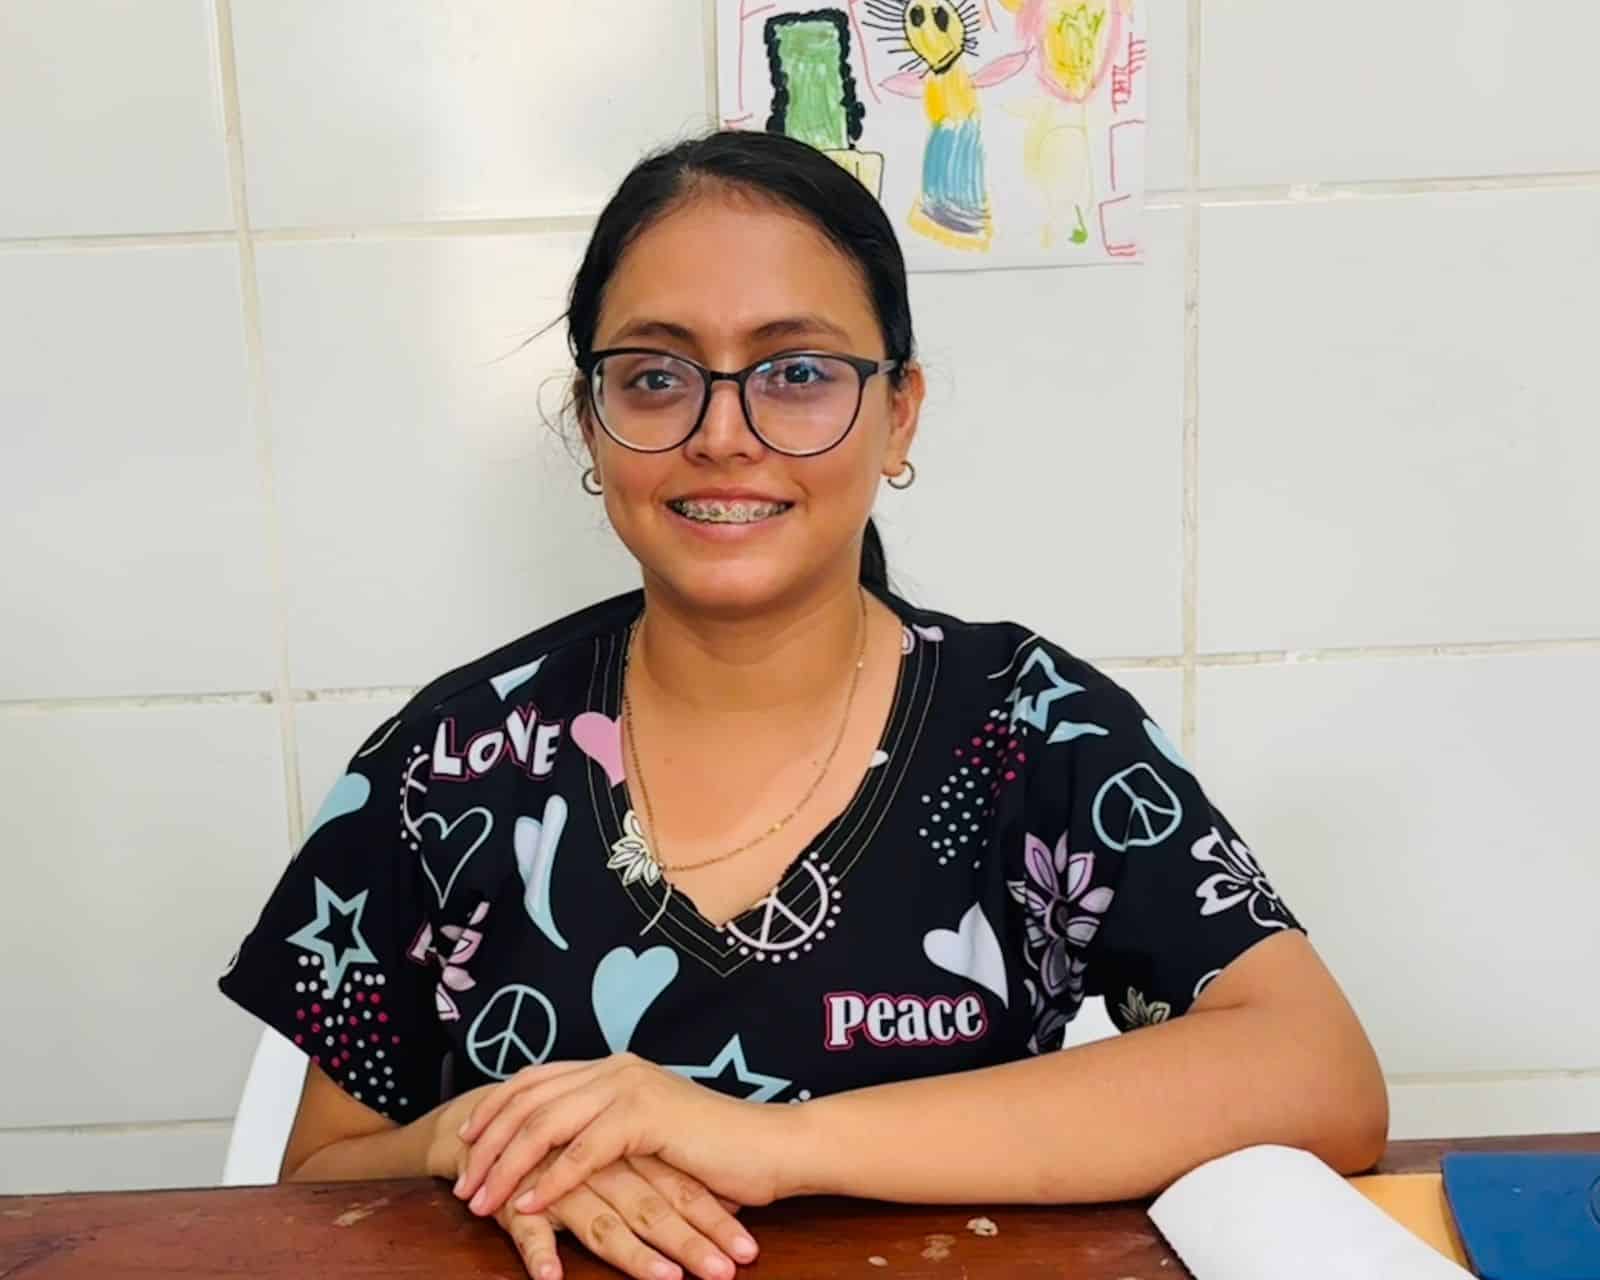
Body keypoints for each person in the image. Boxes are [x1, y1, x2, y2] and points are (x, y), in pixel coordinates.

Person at [219, 129, 1388, 1280]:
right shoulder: (458, 757)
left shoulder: (1034, 729)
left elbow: (1317, 1076)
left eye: (797, 372)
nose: (722, 435)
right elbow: (314, 1182)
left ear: (900, 413)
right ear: (591, 421)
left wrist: (773, 1144)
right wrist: (467, 1138)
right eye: (656, 375)